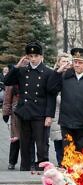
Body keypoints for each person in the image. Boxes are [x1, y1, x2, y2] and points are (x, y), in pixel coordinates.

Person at [4, 41, 56, 171]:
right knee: (25, 144)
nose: (33, 59)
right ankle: (25, 168)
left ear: (41, 57)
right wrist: (16, 67)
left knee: (41, 144)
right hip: (25, 112)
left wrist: (49, 115)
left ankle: (42, 168)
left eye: (36, 56)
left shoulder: (47, 72)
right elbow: (7, 81)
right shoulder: (22, 71)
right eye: (30, 56)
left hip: (40, 113)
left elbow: (51, 95)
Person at [47, 47, 83, 152]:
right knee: (68, 154)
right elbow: (51, 89)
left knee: (82, 156)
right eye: (75, 62)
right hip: (66, 123)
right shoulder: (65, 75)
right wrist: (58, 73)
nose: (76, 65)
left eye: (80, 62)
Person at [50, 53, 72, 166]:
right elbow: (51, 89)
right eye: (63, 61)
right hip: (57, 113)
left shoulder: (72, 75)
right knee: (58, 142)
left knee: (68, 143)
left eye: (68, 61)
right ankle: (60, 163)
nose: (66, 64)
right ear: (58, 63)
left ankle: (67, 164)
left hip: (70, 114)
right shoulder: (54, 74)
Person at [2, 82, 20, 170]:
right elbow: (7, 97)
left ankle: (29, 162)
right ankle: (12, 161)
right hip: (16, 111)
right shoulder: (13, 78)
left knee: (27, 140)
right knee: (15, 138)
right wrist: (6, 112)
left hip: (29, 110)